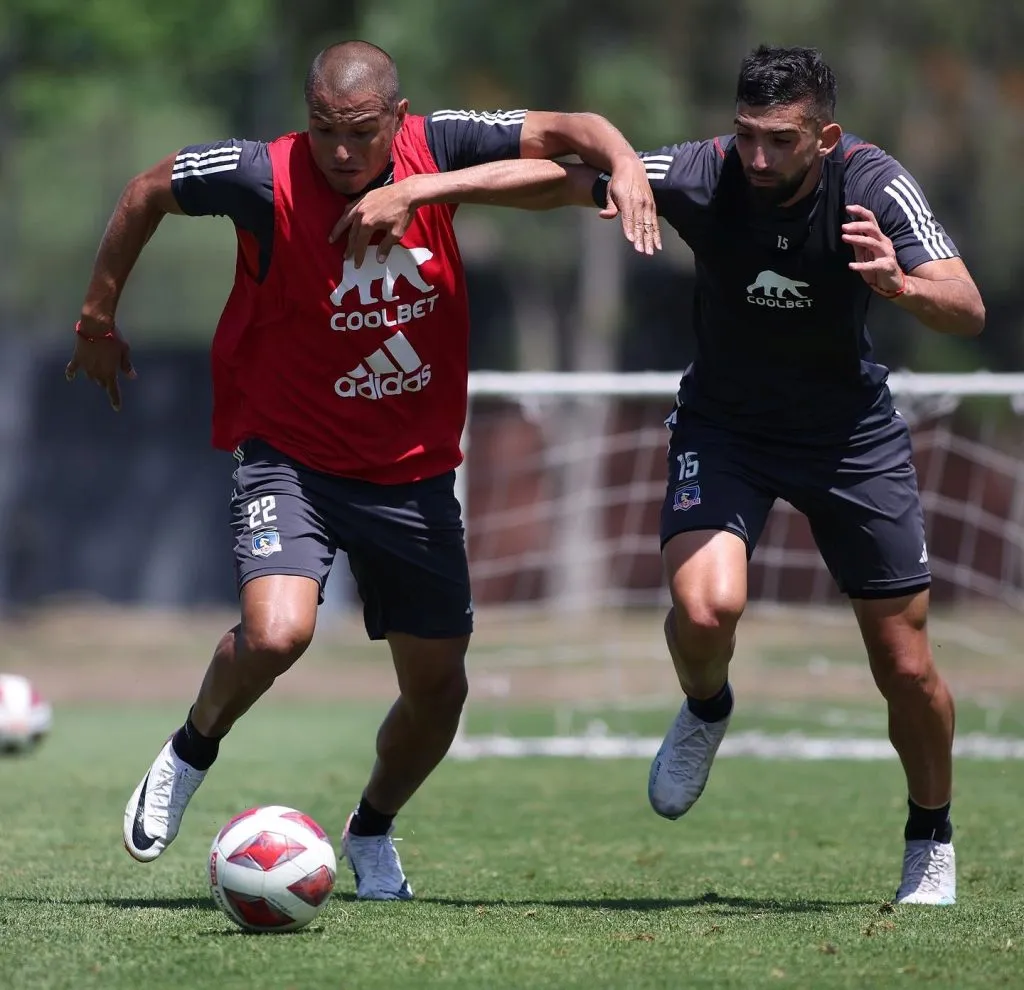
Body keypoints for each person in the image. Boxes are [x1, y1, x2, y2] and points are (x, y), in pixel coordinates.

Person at [338, 45, 985, 906]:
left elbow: (968, 306)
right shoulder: (699, 172)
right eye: (746, 136)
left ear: (825, 137)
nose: (757, 158)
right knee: (705, 604)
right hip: (725, 427)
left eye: (781, 142)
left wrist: (901, 287)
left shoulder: (874, 185)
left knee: (904, 665)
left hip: (848, 437)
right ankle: (707, 707)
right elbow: (563, 179)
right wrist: (424, 188)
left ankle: (929, 838)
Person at [67, 39, 659, 900]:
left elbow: (577, 142)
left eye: (360, 134)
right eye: (323, 132)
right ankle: (191, 748)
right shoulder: (260, 177)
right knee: (278, 632)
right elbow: (146, 190)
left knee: (438, 693)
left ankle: (372, 827)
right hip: (290, 456)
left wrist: (619, 169)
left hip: (412, 475)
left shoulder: (442, 144)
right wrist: (95, 316)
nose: (341, 154)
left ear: (397, 119)